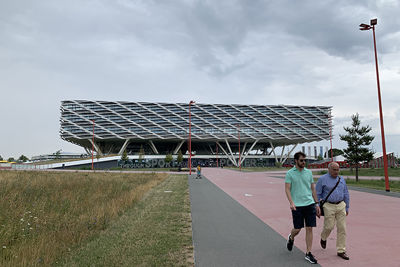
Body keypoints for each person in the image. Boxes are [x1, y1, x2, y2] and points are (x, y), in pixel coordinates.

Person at [285, 151, 320, 264]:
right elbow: (287, 189)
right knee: (298, 228)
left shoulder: (308, 173)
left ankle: (308, 253)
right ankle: (291, 237)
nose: (304, 162)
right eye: (301, 160)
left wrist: (316, 203)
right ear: (296, 161)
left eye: (305, 160)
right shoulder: (290, 173)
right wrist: (291, 202)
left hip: (309, 204)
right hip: (297, 205)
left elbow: (313, 188)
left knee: (309, 228)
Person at [316, 162, 350, 260]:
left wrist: (347, 207)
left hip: (341, 205)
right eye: (334, 170)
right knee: (329, 226)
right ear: (329, 169)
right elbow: (318, 194)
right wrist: (317, 205)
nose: (336, 172)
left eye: (338, 169)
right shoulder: (322, 179)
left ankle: (341, 250)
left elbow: (346, 193)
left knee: (342, 228)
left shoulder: (341, 179)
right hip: (328, 205)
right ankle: (323, 237)